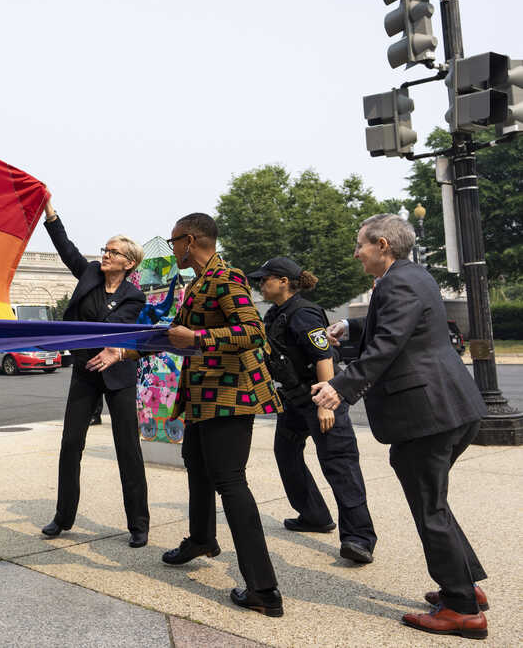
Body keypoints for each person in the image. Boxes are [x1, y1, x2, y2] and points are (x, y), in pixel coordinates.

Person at [313, 214, 489, 640]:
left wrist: (340, 387)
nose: (357, 253)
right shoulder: (409, 276)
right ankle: (467, 585)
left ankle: (462, 608)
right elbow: (402, 329)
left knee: (430, 506)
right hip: (447, 409)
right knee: (435, 501)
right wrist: (351, 326)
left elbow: (389, 344)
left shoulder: (398, 281)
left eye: (360, 245)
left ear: (382, 245)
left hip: (430, 414)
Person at [112, 212, 284, 617]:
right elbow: (175, 333)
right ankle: (202, 538)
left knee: (230, 482)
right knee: (196, 464)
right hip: (203, 399)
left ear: (190, 240)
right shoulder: (198, 283)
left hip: (230, 398)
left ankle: (264, 590)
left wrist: (200, 338)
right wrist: (124, 348)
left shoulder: (227, 278)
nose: (172, 250)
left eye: (174, 243)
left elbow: (252, 331)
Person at [249, 257, 377, 565]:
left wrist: (324, 404)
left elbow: (323, 358)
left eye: (265, 279)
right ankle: (314, 515)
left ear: (283, 281)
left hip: (321, 397)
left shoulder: (303, 312)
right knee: (287, 454)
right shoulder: (277, 313)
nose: (260, 284)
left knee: (339, 465)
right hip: (294, 399)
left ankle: (359, 539)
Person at [41, 199, 150, 548]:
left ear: (128, 262)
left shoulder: (135, 297)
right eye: (104, 249)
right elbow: (66, 249)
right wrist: (50, 213)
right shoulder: (88, 273)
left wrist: (109, 347)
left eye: (112, 251)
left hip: (118, 374)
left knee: (127, 448)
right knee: (71, 443)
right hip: (86, 371)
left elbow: (115, 327)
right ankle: (63, 517)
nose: (104, 254)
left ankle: (138, 524)